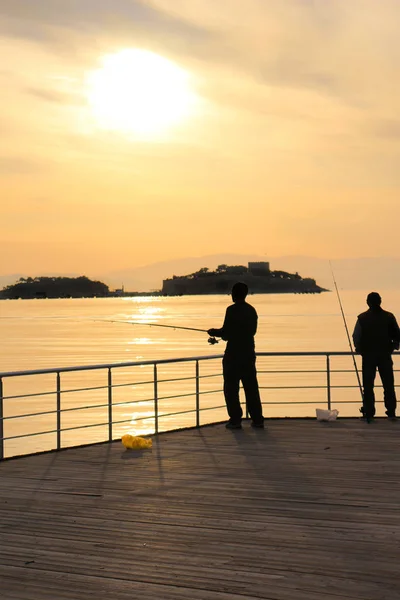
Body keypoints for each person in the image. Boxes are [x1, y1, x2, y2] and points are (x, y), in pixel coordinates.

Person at [208, 282, 264, 429]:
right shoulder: (252, 310)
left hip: (233, 355)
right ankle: (257, 419)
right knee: (251, 388)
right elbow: (252, 332)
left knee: (231, 389)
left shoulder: (231, 310)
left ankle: (235, 419)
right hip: (248, 354)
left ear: (235, 294)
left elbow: (226, 333)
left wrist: (214, 332)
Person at [352, 292, 400, 421]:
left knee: (368, 386)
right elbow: (397, 335)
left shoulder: (362, 318)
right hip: (385, 355)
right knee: (388, 385)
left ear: (368, 302)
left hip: (368, 357)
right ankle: (391, 412)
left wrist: (359, 349)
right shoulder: (389, 317)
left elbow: (356, 336)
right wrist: (393, 347)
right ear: (380, 301)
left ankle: (369, 412)